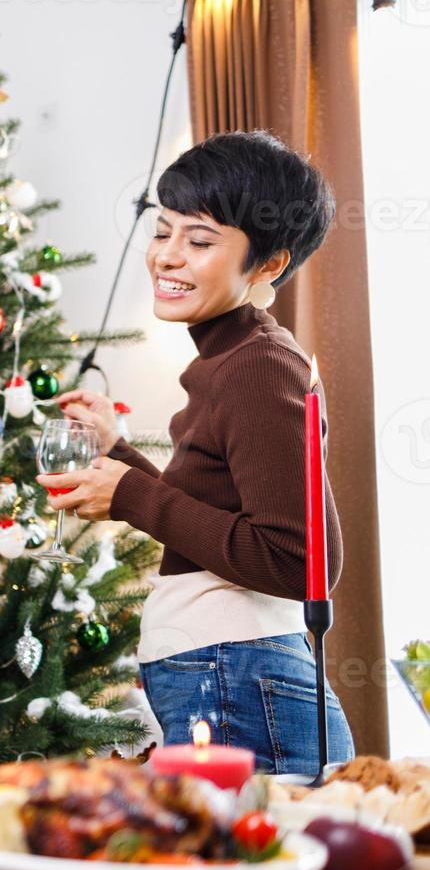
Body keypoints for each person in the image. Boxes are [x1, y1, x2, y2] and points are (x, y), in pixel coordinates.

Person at [39, 130, 354, 775]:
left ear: (268, 265)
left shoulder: (259, 365)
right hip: (232, 677)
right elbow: (209, 522)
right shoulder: (230, 358)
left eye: (201, 241)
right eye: (163, 231)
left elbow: (300, 562)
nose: (168, 257)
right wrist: (118, 455)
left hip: (240, 679)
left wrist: (128, 492)